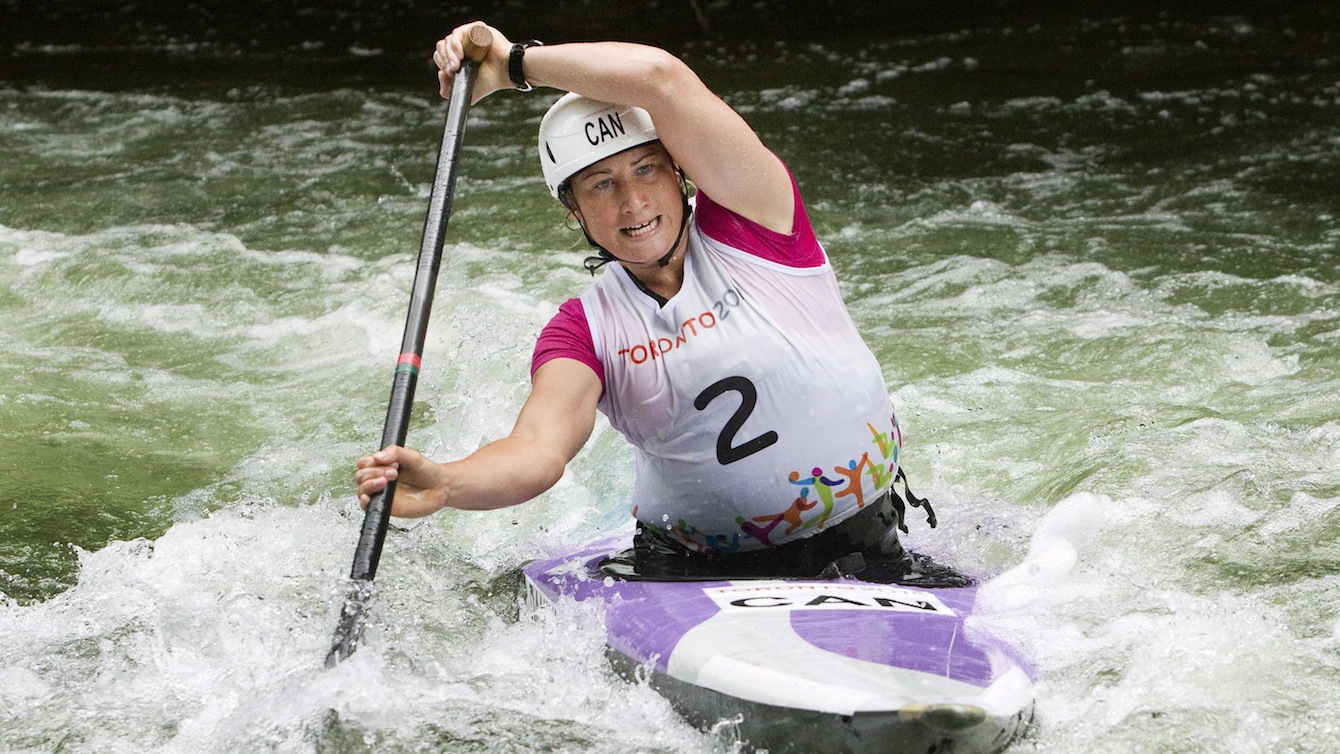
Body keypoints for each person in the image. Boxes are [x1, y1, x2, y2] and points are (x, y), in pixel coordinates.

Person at [354, 21, 953, 583]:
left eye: (646, 171)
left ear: (681, 174)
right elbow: (537, 449)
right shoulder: (582, 329)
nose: (633, 203)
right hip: (692, 572)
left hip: (866, 544)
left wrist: (514, 64)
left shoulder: (759, 220)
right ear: (576, 211)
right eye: (602, 185)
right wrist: (447, 482)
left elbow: (661, 79)